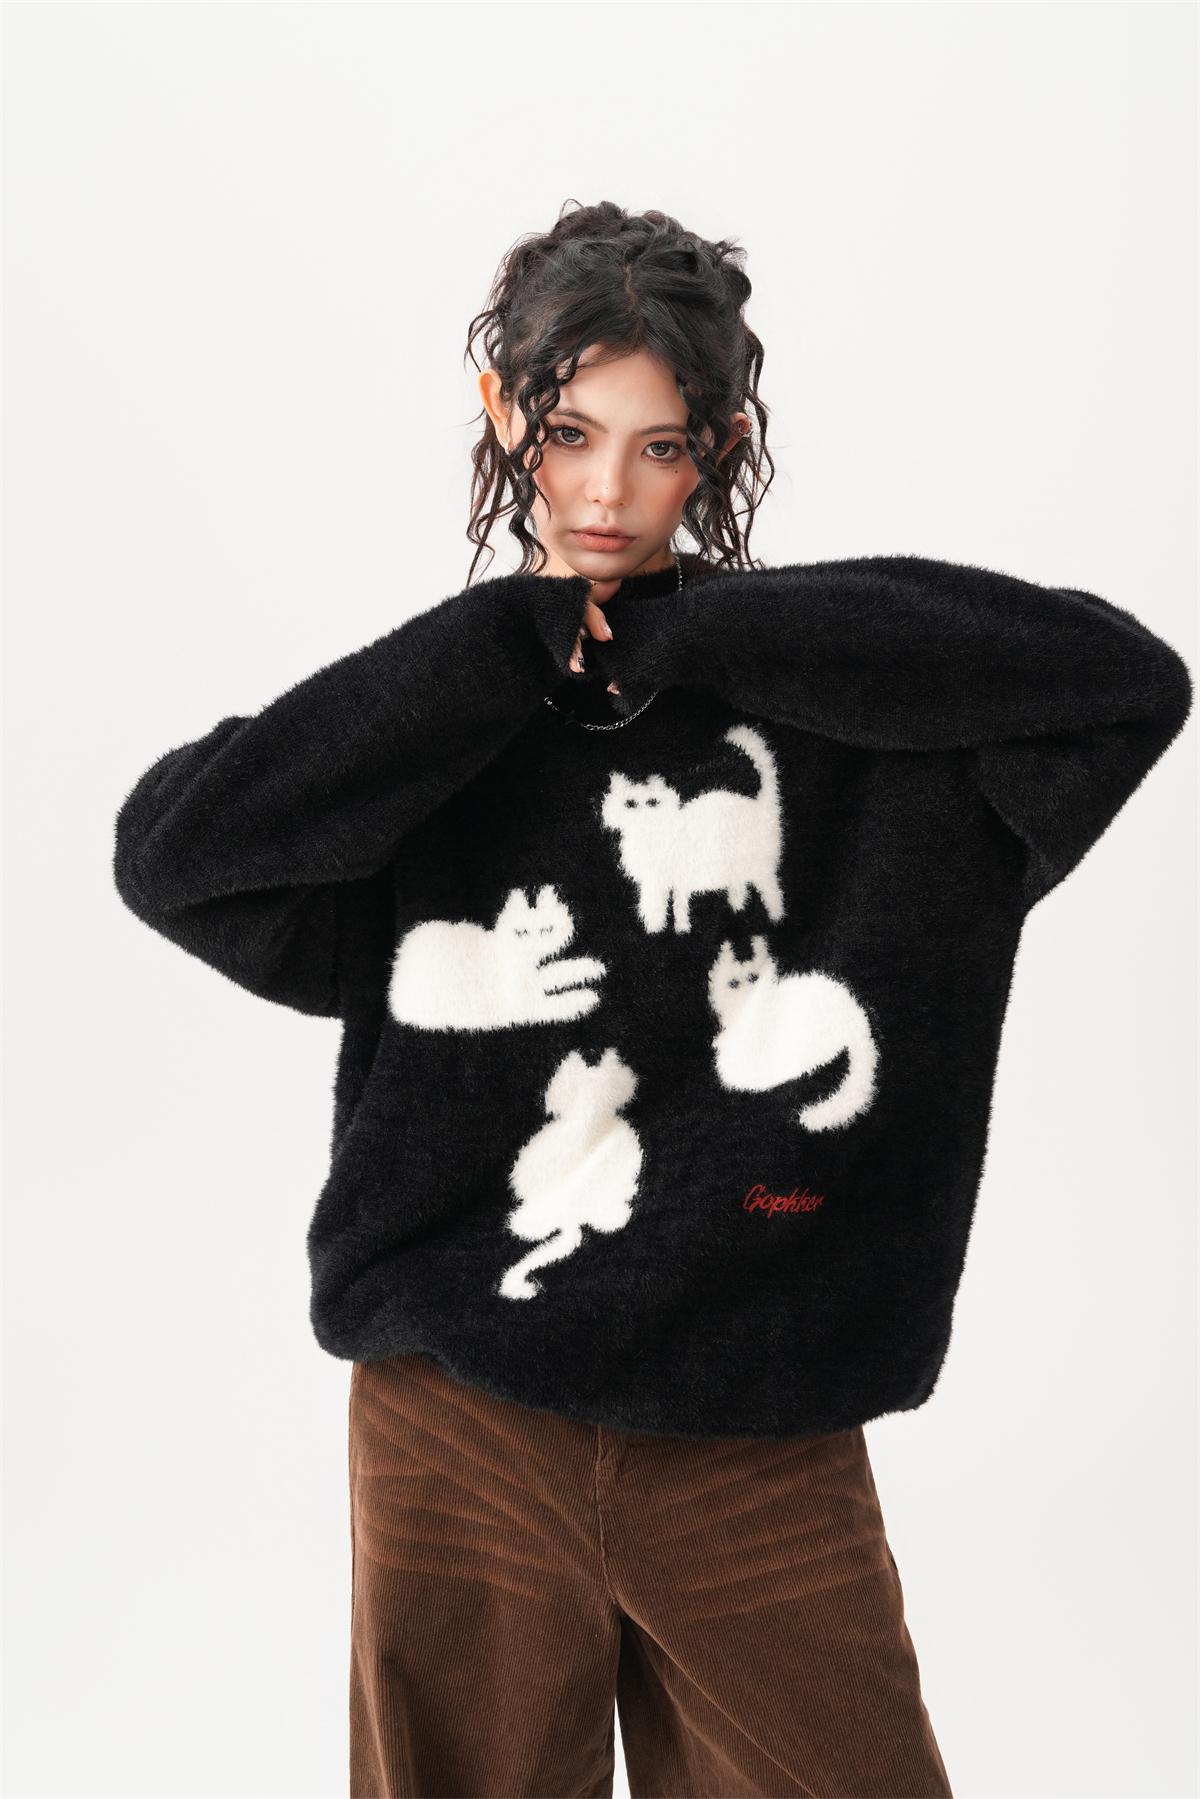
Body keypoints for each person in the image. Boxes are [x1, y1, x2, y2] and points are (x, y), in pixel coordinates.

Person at [113, 201, 1191, 1799]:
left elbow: (1123, 683)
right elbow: (176, 856)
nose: (608, 491)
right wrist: (504, 647)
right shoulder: (444, 725)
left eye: (662, 447)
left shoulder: (847, 720)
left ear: (721, 450)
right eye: (568, 436)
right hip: (459, 1423)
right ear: (503, 416)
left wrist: (706, 632)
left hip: (756, 1423)